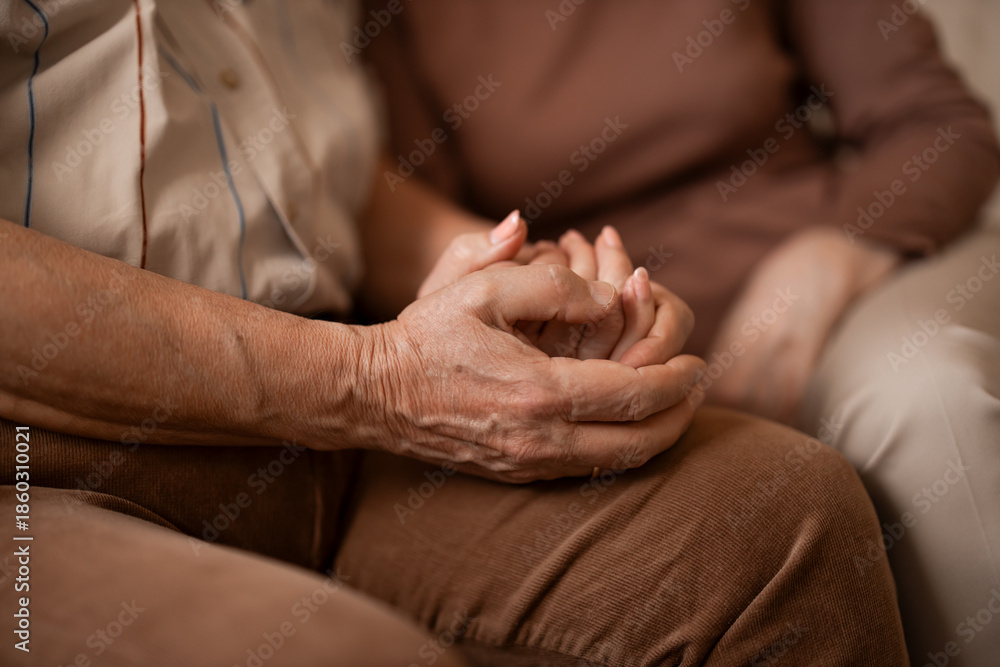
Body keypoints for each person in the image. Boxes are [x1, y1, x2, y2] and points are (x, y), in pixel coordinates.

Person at [0, 1, 909, 665]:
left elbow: (319, 179)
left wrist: (509, 279)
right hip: (44, 465)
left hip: (327, 424)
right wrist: (377, 378)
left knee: (786, 517)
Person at [362, 0, 1000, 662]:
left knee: (929, 398)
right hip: (607, 335)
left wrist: (836, 252)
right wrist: (580, 313)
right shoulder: (393, 19)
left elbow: (941, 125)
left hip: (847, 273)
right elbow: (433, 244)